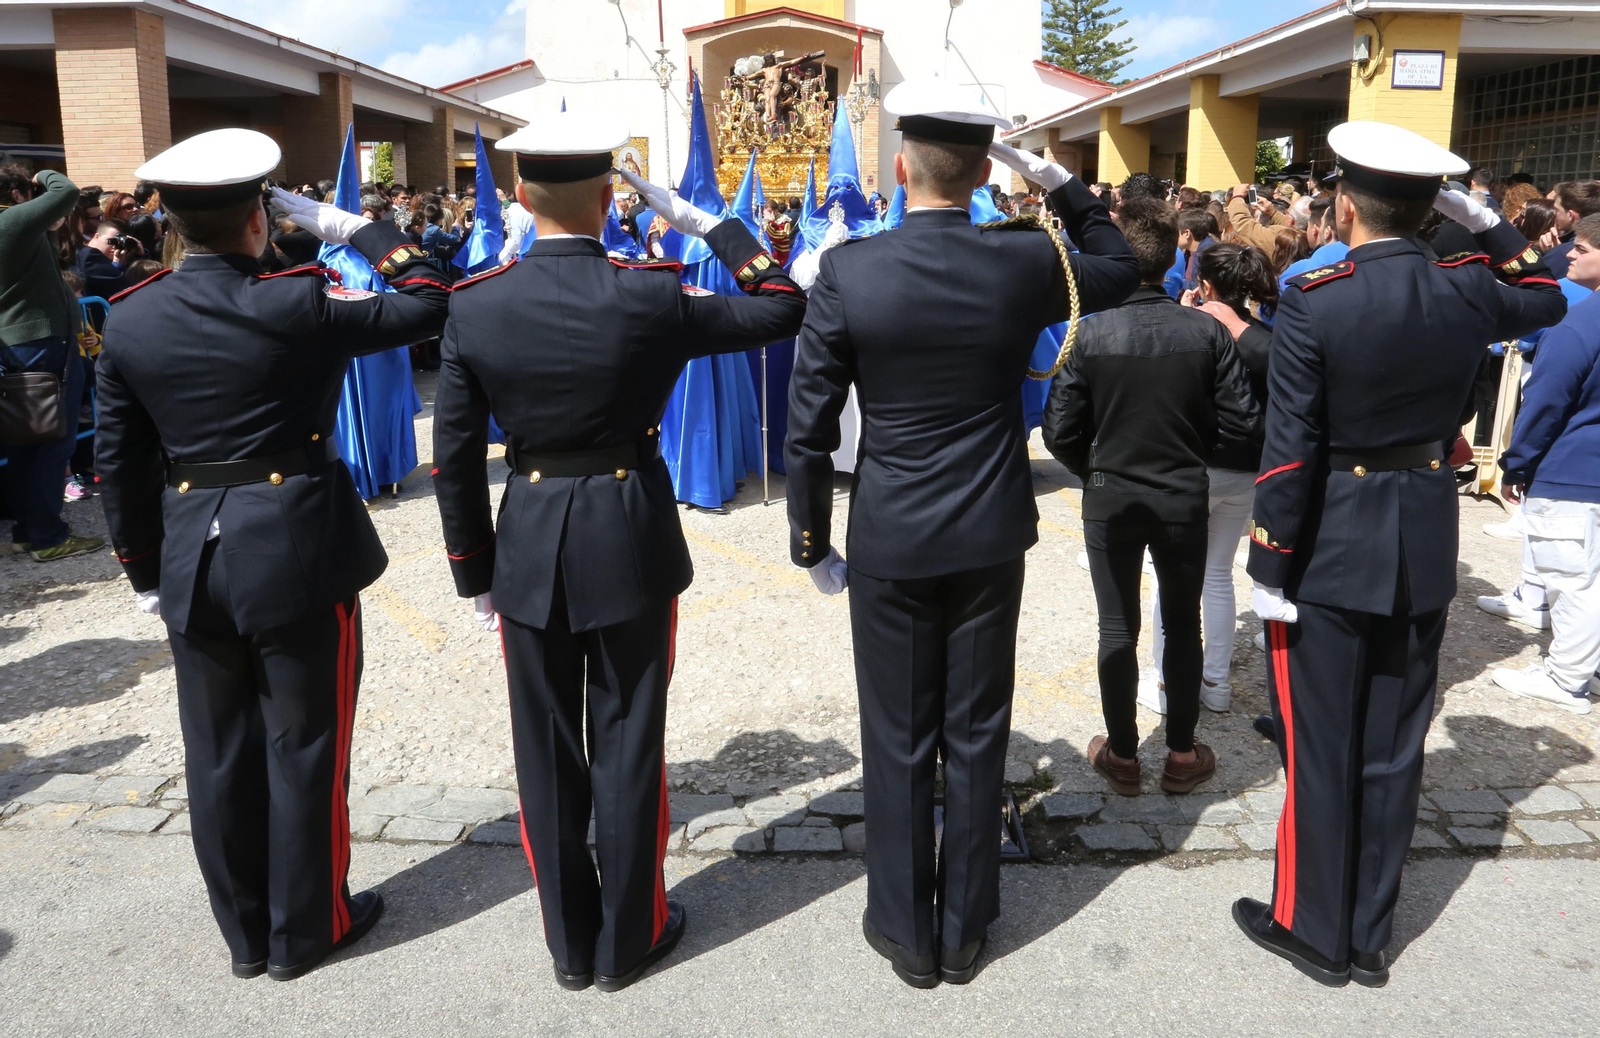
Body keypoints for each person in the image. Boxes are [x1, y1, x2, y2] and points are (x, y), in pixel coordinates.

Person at [430, 110, 805, 993]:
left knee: (547, 748)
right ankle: (629, 938)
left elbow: (452, 453)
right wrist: (708, 223)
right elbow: (781, 305)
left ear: (521, 198)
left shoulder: (475, 302)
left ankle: (570, 944)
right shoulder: (652, 290)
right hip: (629, 527)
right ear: (612, 198)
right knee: (630, 738)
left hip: (526, 538)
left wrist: (471, 569)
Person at [784, 79, 1138, 989]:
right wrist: (1055, 179)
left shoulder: (850, 270)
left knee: (898, 733)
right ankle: (967, 926)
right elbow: (1120, 264)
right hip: (987, 532)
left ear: (900, 168)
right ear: (984, 171)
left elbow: (810, 424)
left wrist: (811, 540)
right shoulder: (1021, 259)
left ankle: (906, 931)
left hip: (893, 535)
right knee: (977, 731)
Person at [95, 129, 452, 981]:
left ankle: (247, 937)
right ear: (262, 215)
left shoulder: (132, 313)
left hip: (190, 555)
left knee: (216, 755)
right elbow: (431, 294)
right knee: (304, 744)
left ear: (174, 223)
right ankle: (308, 930)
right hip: (295, 546)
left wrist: (146, 568)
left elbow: (120, 458)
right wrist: (349, 228)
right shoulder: (297, 298)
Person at [1234, 121, 1567, 988]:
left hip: (1333, 541)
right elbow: (1553, 285)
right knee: (1393, 745)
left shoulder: (1320, 293)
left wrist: (1270, 558)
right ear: (1431, 211)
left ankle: (1312, 928)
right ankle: (1370, 935)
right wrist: (1485, 220)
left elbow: (1293, 441)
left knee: (1320, 746)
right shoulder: (1467, 287)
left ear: (1343, 202)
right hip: (1421, 530)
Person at [1042, 198, 1257, 797]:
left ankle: (1124, 753)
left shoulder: (1091, 332)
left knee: (1118, 623)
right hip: (1181, 490)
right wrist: (1190, 450)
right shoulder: (1206, 330)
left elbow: (1058, 428)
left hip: (1113, 493)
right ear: (1171, 259)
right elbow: (1242, 423)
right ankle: (1182, 753)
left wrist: (1098, 467)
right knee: (1181, 621)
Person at [1138, 242, 1278, 718]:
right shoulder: (1265, 339)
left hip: (1194, 468)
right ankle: (1215, 682)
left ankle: (1163, 682)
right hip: (1247, 472)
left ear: (1206, 284)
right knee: (1218, 574)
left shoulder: (1194, 330)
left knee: (1168, 577)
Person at [1490, 213, 1600, 714]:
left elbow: (1547, 400)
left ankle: (1566, 678)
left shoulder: (1578, 321)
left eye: (1583, 248)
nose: (1570, 254)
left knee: (1571, 580)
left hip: (1574, 470)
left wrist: (1518, 463)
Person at [0, 163, 103, 561]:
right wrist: (43, 175)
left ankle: (30, 531)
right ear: (18, 195)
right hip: (40, 343)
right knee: (52, 441)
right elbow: (66, 192)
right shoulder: (10, 220)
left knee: (29, 440)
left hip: (23, 343)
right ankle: (48, 536)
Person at [1544, 181, 1600, 278]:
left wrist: (1554, 253)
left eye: (1557, 210)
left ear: (1570, 215)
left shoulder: (1562, 253)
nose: (1554, 214)